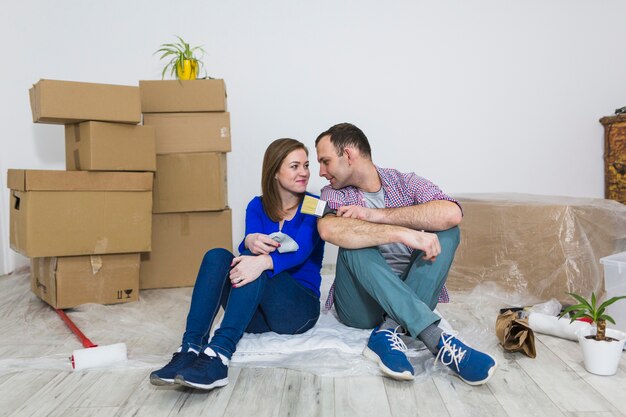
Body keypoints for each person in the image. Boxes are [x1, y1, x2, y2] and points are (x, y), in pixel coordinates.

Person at [315, 123, 497, 385]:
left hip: (412, 291)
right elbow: (328, 229)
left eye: (325, 161)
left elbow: (451, 212)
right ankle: (436, 339)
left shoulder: (405, 182)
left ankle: (387, 332)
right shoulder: (331, 194)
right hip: (361, 307)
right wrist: (400, 233)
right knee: (351, 240)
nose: (321, 171)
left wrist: (376, 216)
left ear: (349, 154)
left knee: (448, 232)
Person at [150, 138, 325, 390]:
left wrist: (263, 261)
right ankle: (190, 347)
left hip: (297, 310)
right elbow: (244, 254)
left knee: (256, 268)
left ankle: (219, 355)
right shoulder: (257, 205)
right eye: (295, 166)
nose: (304, 173)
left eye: (306, 165)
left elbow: (302, 250)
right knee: (217, 256)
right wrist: (249, 240)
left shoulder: (314, 204)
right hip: (257, 315)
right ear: (275, 171)